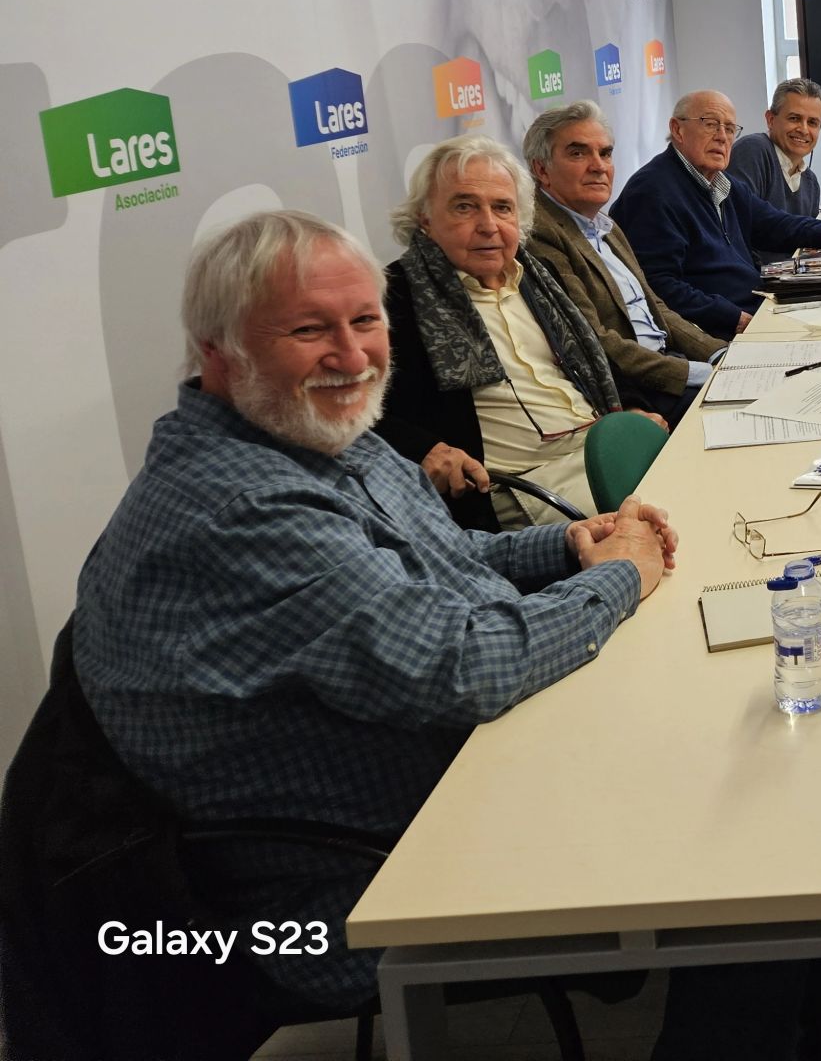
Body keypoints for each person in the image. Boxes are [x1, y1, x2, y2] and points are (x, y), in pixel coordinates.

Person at [67, 209, 675, 1014]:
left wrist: (570, 547)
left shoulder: (309, 429)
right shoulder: (243, 508)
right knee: (717, 831)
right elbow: (462, 666)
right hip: (362, 877)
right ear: (217, 351)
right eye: (309, 329)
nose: (351, 356)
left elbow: (447, 563)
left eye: (364, 321)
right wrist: (619, 580)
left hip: (457, 779)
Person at [379, 135, 652, 532]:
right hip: (528, 483)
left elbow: (596, 359)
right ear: (425, 218)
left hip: (602, 447)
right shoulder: (392, 298)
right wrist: (422, 449)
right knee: (658, 524)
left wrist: (629, 405)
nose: (488, 226)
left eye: (502, 208)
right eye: (464, 207)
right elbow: (355, 413)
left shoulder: (538, 278)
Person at [524, 101, 726, 429]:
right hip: (639, 389)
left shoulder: (606, 225)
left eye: (605, 153)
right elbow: (595, 340)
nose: (598, 166)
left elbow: (656, 307)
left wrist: (719, 354)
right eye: (578, 153)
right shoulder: (541, 236)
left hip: (672, 364)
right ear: (542, 169)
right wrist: (699, 373)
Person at [612, 90, 821, 339]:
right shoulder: (653, 191)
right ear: (678, 130)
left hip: (756, 306)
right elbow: (658, 286)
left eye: (730, 129)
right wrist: (732, 318)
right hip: (720, 330)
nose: (722, 137)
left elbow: (771, 222)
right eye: (710, 125)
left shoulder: (721, 183)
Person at [728, 76, 821, 219]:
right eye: (794, 118)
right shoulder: (752, 151)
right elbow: (743, 223)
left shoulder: (811, 183)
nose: (804, 130)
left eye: (812, 122)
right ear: (771, 120)